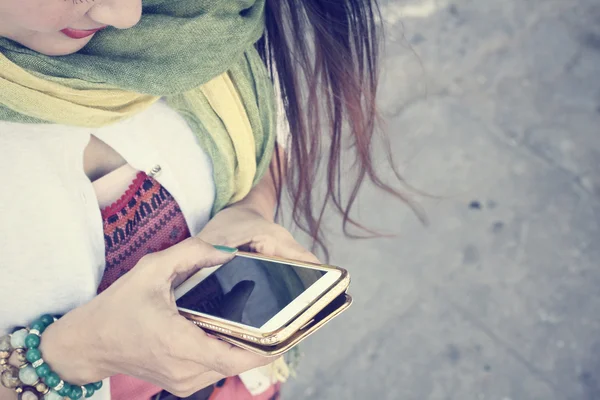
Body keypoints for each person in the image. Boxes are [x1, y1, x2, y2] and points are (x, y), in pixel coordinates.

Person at [0, 0, 394, 399]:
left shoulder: (197, 18)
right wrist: (73, 354)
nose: (128, 16)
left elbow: (266, 131)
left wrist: (248, 211)